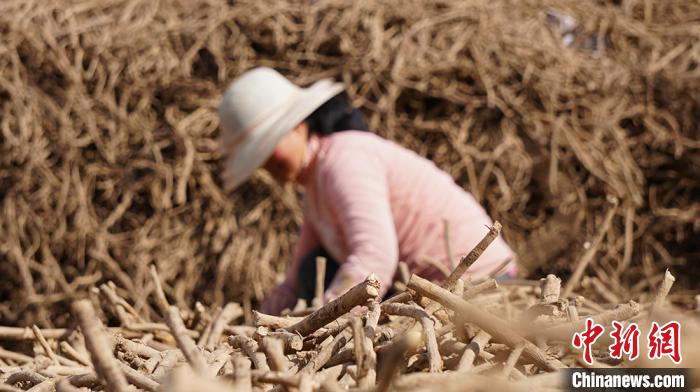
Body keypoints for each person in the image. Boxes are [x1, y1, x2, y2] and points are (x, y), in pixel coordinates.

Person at [218, 67, 517, 315]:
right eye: (260, 159)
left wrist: (317, 323)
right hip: (435, 295)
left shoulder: (344, 159)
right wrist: (261, 321)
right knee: (312, 269)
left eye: (270, 149)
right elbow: (295, 281)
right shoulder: (315, 186)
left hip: (480, 286)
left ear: (297, 126)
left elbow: (375, 255)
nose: (268, 165)